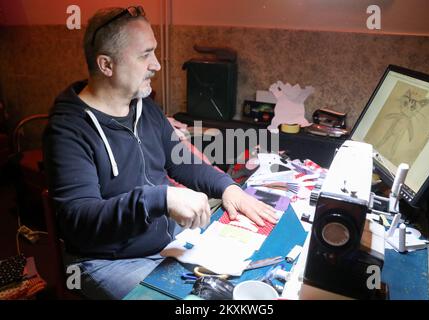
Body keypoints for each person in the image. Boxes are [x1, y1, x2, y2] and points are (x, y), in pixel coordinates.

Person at [43, 6, 278, 300]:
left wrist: (228, 188)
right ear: (106, 64)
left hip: (164, 243)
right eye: (145, 55)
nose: (157, 64)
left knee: (247, 283)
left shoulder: (145, 107)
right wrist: (161, 199)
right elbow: (79, 220)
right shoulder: (68, 131)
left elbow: (181, 160)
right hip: (108, 261)